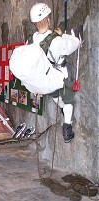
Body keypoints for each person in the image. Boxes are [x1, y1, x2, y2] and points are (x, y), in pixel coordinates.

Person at [29, 3, 80, 143]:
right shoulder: (56, 40)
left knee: (55, 95)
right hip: (59, 75)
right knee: (68, 97)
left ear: (35, 23)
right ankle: (67, 129)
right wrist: (63, 36)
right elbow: (73, 44)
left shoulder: (30, 40)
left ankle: (64, 110)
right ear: (48, 19)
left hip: (43, 79)